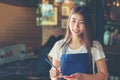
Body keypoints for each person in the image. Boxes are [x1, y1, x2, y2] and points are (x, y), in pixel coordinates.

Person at [48, 5, 108, 80]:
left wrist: (83, 77)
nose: (76, 26)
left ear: (87, 25)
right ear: (69, 21)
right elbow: (54, 77)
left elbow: (104, 75)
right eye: (73, 21)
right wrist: (54, 75)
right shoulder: (59, 45)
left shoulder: (94, 45)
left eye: (81, 22)